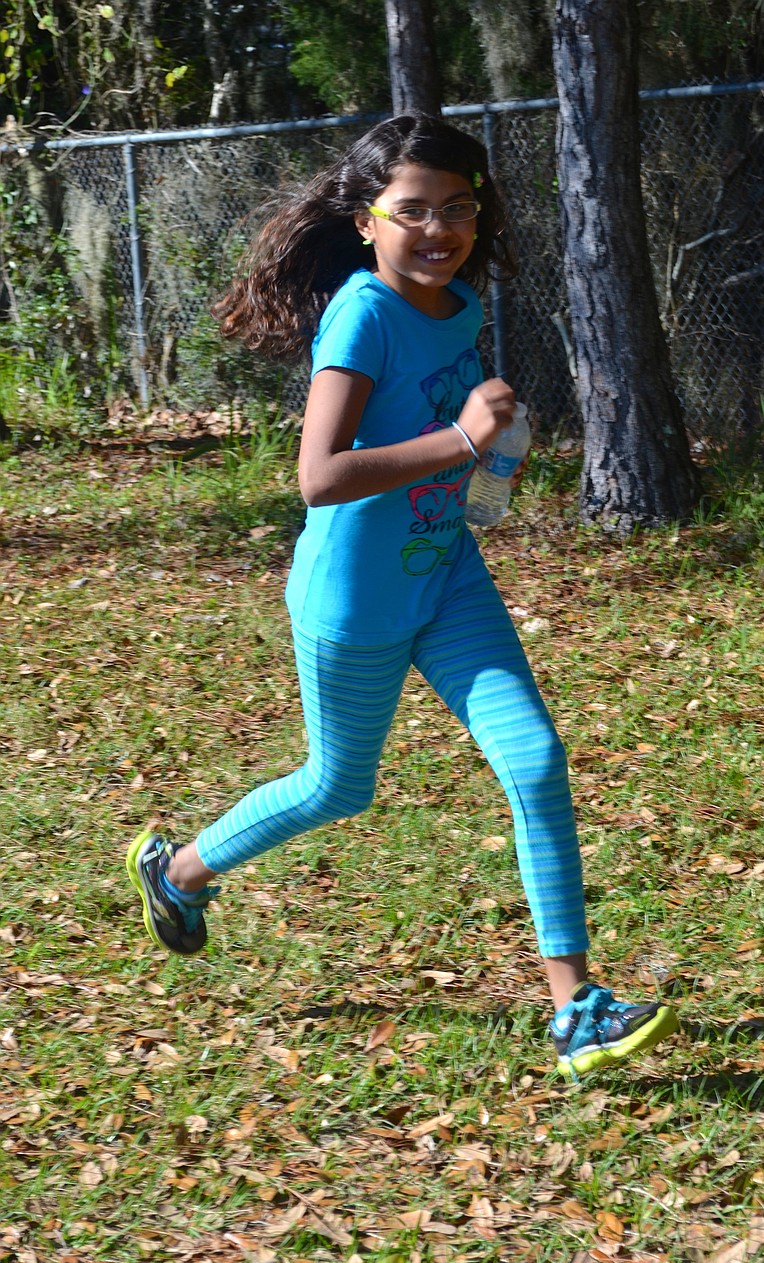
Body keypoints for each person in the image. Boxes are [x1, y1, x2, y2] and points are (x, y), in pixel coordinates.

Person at [125, 113, 678, 1080]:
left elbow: (445, 431)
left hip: (448, 571)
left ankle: (576, 1007)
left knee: (536, 759)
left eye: (458, 207)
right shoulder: (362, 313)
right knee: (338, 785)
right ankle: (177, 872)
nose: (438, 228)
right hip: (354, 601)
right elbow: (319, 475)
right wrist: (463, 438)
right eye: (413, 210)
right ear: (366, 217)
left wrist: (491, 445)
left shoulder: (459, 301)